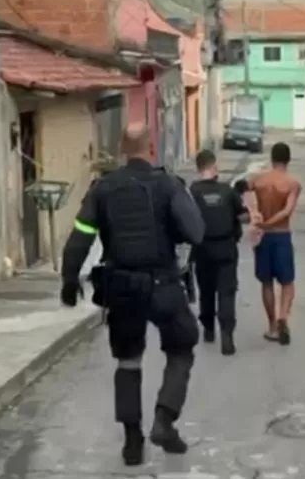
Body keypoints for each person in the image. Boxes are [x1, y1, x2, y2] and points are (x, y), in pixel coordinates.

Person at [59, 123, 205, 466]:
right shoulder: (168, 185)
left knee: (128, 361)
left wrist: (69, 279)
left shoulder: (103, 188)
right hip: (164, 286)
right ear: (151, 146)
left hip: (122, 287)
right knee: (182, 347)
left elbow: (80, 234)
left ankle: (132, 441)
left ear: (123, 148)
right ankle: (164, 420)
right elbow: (196, 232)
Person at [189, 149, 257, 356]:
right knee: (227, 291)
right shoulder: (228, 191)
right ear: (214, 166)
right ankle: (227, 335)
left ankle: (209, 329)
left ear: (199, 168)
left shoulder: (192, 192)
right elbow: (245, 217)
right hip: (226, 247)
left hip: (202, 248)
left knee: (206, 290)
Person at [246, 142, 301, 345]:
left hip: (264, 237)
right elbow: (287, 211)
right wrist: (271, 222)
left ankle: (272, 327)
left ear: (272, 158)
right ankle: (283, 317)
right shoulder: (292, 183)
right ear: (288, 159)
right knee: (287, 282)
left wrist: (255, 215)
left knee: (266, 282)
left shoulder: (258, 180)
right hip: (282, 235)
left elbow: (241, 189)